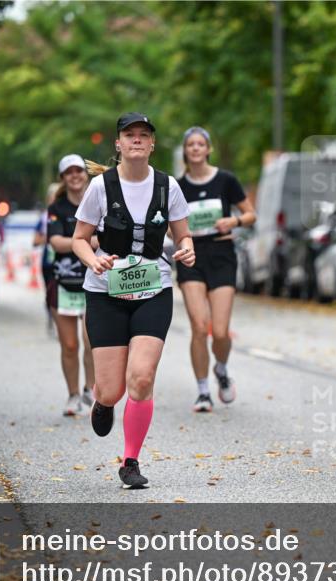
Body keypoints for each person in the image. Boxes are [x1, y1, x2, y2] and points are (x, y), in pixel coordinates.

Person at [71, 112, 194, 489]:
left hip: (154, 290)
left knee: (141, 378)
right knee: (113, 388)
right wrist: (94, 260)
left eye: (144, 135)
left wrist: (187, 250)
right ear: (119, 144)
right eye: (130, 135)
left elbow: (184, 235)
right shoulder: (100, 187)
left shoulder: (167, 186)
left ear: (152, 144)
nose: (137, 140)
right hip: (106, 292)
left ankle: (130, 461)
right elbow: (79, 238)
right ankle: (103, 401)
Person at [176, 126, 256, 413]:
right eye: (191, 145)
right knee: (199, 327)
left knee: (220, 332)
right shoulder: (177, 187)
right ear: (185, 151)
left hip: (222, 256)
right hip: (191, 258)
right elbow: (169, 224)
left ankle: (221, 369)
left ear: (208, 149)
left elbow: (250, 213)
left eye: (200, 144)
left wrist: (232, 222)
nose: (196, 149)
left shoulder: (226, 180)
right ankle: (202, 391)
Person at [47, 154, 96, 416]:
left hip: (93, 283)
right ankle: (73, 394)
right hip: (64, 284)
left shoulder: (98, 201)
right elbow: (55, 242)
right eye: (69, 172)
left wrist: (76, 242)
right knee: (69, 345)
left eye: (79, 170)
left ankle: (91, 390)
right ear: (63, 178)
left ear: (85, 174)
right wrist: (88, 242)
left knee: (91, 341)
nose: (75, 175)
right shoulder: (57, 208)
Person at [34, 183, 60, 336]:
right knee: (50, 292)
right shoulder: (44, 218)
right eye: (53, 197)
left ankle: (60, 322)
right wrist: (50, 238)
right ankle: (51, 318)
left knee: (60, 291)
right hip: (47, 260)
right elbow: (35, 240)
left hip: (65, 261)